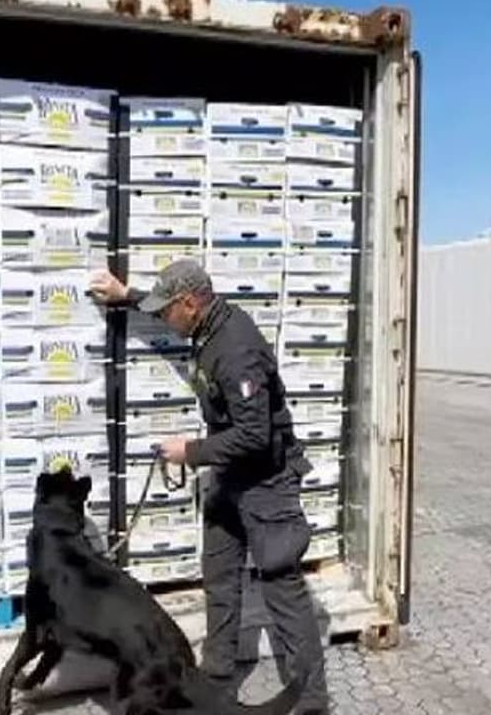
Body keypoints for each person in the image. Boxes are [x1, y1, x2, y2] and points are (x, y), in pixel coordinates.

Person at [90, 259, 330, 715]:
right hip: (229, 476)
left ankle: (313, 704)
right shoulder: (204, 321)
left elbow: (255, 435)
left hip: (266, 482)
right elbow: (161, 304)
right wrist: (127, 295)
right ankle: (217, 677)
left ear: (191, 304)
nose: (163, 319)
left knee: (282, 589)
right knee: (220, 574)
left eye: (167, 312)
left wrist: (190, 451)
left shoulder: (236, 348)